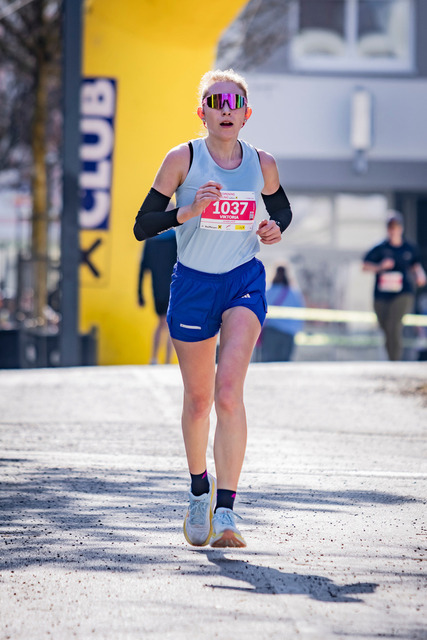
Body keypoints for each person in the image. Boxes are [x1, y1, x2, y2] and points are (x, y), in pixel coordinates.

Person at [133, 69, 292, 547]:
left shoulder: (263, 163)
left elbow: (281, 210)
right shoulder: (182, 159)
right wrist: (186, 211)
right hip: (193, 285)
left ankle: (226, 510)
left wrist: (274, 229)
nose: (225, 110)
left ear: (246, 114)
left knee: (227, 394)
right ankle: (199, 491)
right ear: (201, 112)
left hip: (243, 280)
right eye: (215, 102)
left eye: (233, 103)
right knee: (200, 400)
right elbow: (143, 225)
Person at [362, 211, 426, 361]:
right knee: (385, 326)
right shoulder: (380, 248)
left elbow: (416, 267)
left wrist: (420, 276)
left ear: (401, 228)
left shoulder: (409, 248)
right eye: (390, 227)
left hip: (402, 293)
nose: (393, 230)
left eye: (396, 227)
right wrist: (380, 267)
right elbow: (364, 266)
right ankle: (391, 358)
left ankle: (395, 361)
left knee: (394, 325)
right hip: (382, 295)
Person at [137, 228, 177, 364]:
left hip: (157, 287)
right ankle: (167, 360)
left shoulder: (151, 240)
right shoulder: (175, 239)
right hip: (173, 286)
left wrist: (140, 293)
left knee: (161, 322)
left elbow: (143, 268)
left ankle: (154, 358)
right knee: (170, 323)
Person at [259, 265, 304, 362]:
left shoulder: (268, 291)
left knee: (268, 362)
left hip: (271, 332)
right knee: (284, 364)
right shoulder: (294, 294)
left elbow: (261, 310)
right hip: (288, 333)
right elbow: (300, 313)